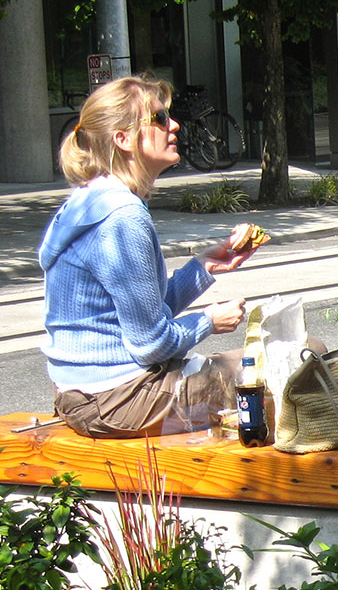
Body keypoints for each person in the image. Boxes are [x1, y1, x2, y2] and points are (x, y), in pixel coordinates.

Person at [40, 75, 254, 439]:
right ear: (123, 139)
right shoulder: (122, 217)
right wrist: (209, 321)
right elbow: (151, 344)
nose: (174, 125)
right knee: (289, 361)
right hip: (119, 402)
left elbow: (141, 315)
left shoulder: (88, 200)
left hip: (83, 395)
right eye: (158, 118)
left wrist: (204, 267)